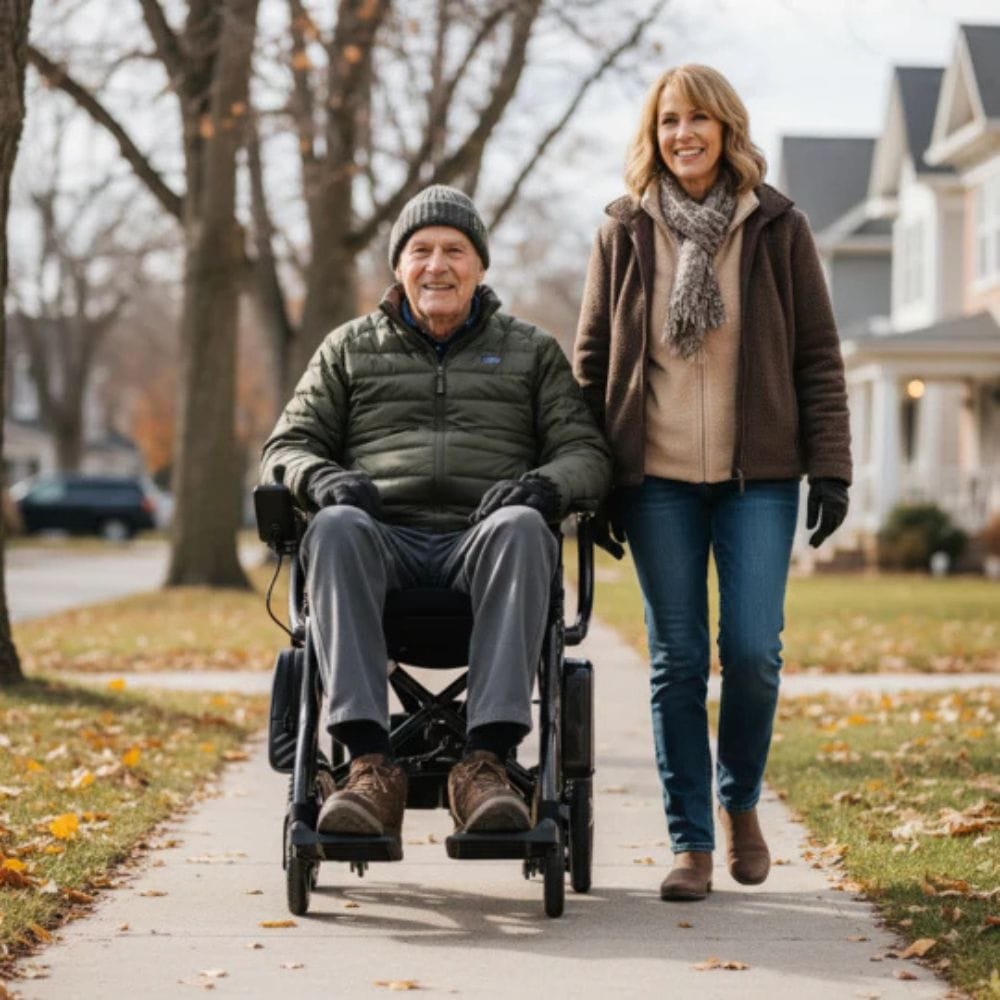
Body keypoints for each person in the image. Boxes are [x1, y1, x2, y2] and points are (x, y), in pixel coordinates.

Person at [261, 184, 611, 851]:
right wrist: (322, 478)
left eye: (454, 250)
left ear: (480, 267)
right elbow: (284, 449)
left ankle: (485, 767)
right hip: (380, 546)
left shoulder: (531, 352)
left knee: (521, 526)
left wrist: (544, 486)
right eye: (420, 251)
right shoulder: (347, 349)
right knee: (332, 527)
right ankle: (367, 765)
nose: (437, 265)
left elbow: (586, 452)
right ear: (399, 267)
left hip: (482, 548)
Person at [573, 65, 851, 901]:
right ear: (652, 137)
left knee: (754, 653)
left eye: (698, 119)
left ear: (728, 128)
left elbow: (817, 357)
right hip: (654, 479)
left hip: (757, 476)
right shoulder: (623, 230)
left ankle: (740, 803)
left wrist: (830, 468)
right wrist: (594, 483)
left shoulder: (777, 225)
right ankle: (691, 843)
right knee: (678, 660)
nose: (682, 134)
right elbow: (591, 368)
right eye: (668, 122)